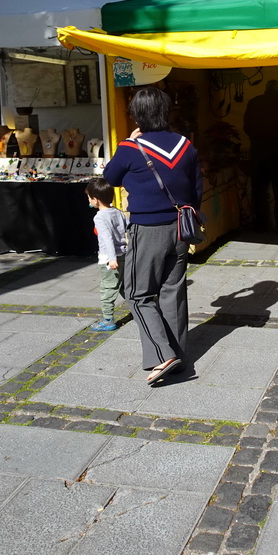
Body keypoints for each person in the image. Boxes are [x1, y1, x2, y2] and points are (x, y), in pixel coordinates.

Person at [103, 86, 203, 385]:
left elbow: (110, 179)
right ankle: (179, 359)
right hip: (181, 227)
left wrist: (128, 142)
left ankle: (163, 354)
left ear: (137, 114)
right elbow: (197, 188)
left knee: (138, 294)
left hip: (148, 229)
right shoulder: (186, 145)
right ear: (165, 111)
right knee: (173, 293)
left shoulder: (131, 148)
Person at [243, 79, 278, 232]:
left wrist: (257, 138)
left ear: (266, 89)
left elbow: (246, 126)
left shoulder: (254, 102)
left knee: (258, 189)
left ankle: (260, 224)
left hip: (259, 150)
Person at [85, 178, 129, 332]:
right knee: (125, 286)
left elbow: (107, 238)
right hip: (124, 254)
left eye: (89, 197)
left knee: (107, 289)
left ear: (95, 200)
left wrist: (111, 258)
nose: (89, 200)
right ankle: (141, 309)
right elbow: (128, 227)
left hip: (109, 259)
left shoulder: (99, 217)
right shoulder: (117, 212)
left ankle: (108, 320)